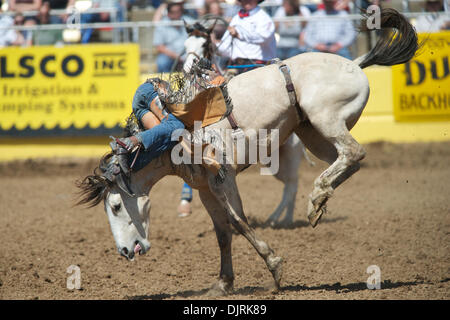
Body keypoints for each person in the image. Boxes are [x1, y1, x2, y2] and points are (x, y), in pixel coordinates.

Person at [216, 0, 277, 74]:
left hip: (258, 66)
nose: (246, 1)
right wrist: (214, 44)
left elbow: (264, 38)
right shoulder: (236, 19)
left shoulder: (264, 18)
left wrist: (239, 34)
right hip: (237, 65)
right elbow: (225, 46)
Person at [153, 0, 194, 72]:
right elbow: (159, 47)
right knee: (162, 62)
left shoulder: (189, 22)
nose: (177, 14)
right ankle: (164, 82)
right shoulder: (162, 25)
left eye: (179, 11)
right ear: (168, 14)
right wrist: (177, 57)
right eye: (174, 12)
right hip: (170, 56)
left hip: (189, 54)